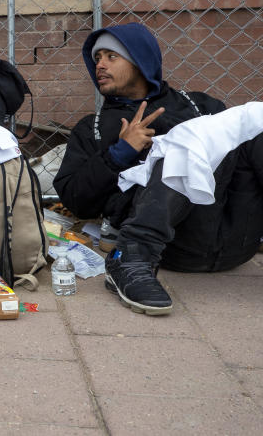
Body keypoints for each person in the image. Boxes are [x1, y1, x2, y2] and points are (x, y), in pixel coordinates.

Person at [54, 22, 263, 315]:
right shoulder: (94, 129)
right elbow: (77, 200)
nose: (99, 65)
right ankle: (129, 260)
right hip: (170, 247)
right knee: (179, 146)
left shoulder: (199, 105)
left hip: (237, 237)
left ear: (141, 61)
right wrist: (119, 154)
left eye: (111, 57)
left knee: (254, 122)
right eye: (97, 58)